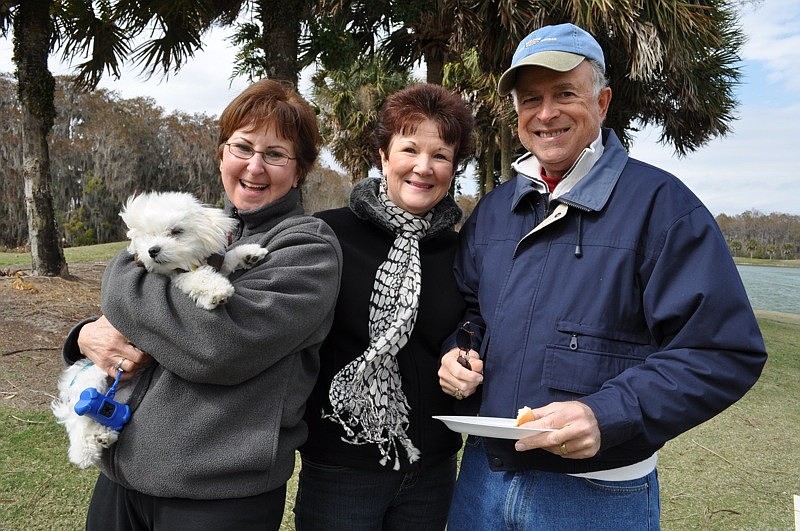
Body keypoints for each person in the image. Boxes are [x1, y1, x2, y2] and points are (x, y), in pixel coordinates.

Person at [438, 23, 767, 530]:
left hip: (598, 494)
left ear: (603, 102)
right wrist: (460, 350)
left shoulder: (662, 206)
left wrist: (606, 414)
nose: (546, 113)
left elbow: (722, 350)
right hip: (483, 476)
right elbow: (470, 311)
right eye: (531, 99)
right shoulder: (495, 210)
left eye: (565, 93)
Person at [60, 79, 343, 530]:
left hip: (218, 496)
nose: (254, 166)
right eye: (242, 147)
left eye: (275, 154)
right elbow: (140, 295)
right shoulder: (200, 227)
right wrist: (84, 335)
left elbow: (217, 346)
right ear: (222, 154)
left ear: (299, 170)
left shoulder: (306, 247)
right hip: (122, 477)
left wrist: (122, 278)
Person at [294, 83, 475, 530]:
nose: (423, 167)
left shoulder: (461, 251)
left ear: (454, 168)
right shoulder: (328, 236)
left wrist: (466, 352)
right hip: (341, 471)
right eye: (409, 149)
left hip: (431, 471)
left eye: (440, 155)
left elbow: (476, 320)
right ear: (383, 155)